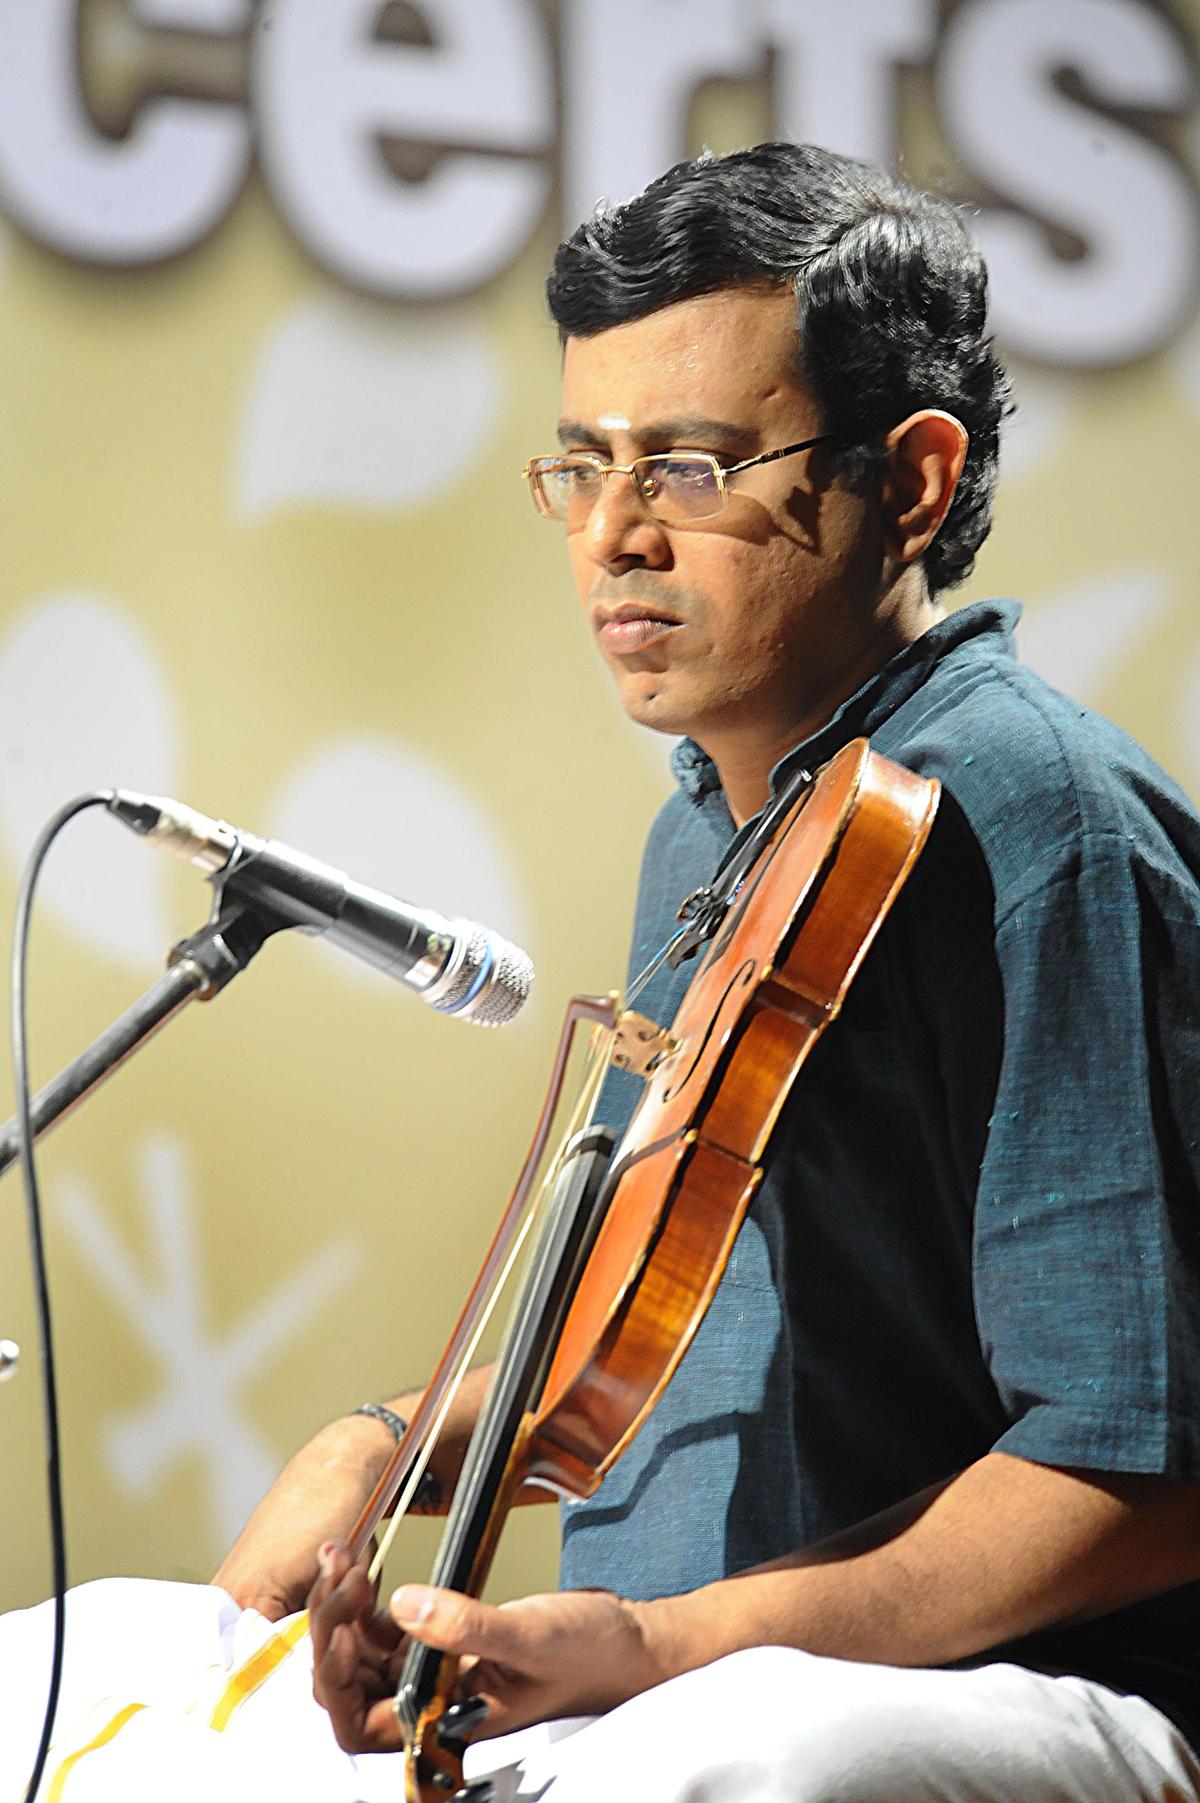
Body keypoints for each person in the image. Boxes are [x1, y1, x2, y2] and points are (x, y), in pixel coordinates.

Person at [8, 141, 1200, 1803]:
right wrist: (389, 1450)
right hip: (671, 1673)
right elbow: (648, 1331)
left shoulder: (1036, 818)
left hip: (993, 1693)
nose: (617, 536)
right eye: (584, 465)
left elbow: (1137, 1469)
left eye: (696, 465)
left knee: (757, 1762)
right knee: (51, 1689)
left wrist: (661, 1651)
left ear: (911, 482)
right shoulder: (720, 831)